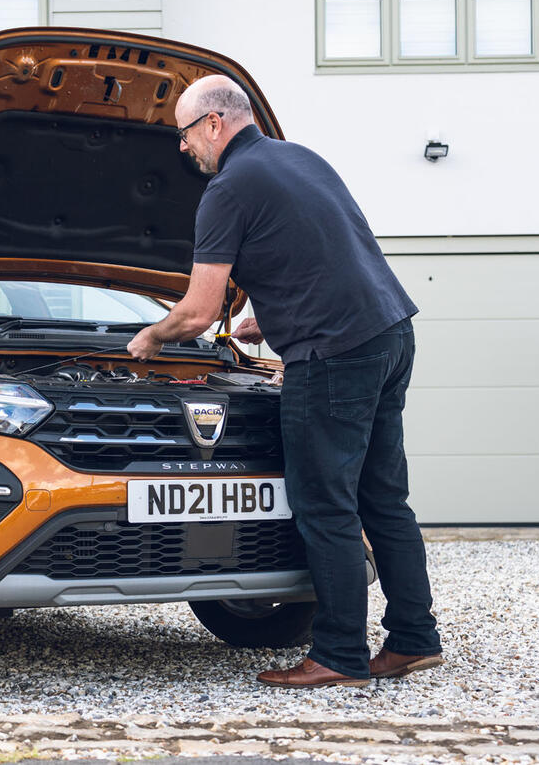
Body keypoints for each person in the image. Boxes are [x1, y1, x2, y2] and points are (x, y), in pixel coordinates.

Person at [127, 75, 443, 688]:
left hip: (333, 355)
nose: (183, 149)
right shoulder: (300, 158)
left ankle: (339, 656)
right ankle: (413, 639)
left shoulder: (227, 188)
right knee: (383, 499)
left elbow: (195, 313)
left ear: (215, 123)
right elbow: (323, 252)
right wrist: (267, 318)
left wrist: (151, 338)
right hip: (389, 332)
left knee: (325, 504)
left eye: (185, 133)